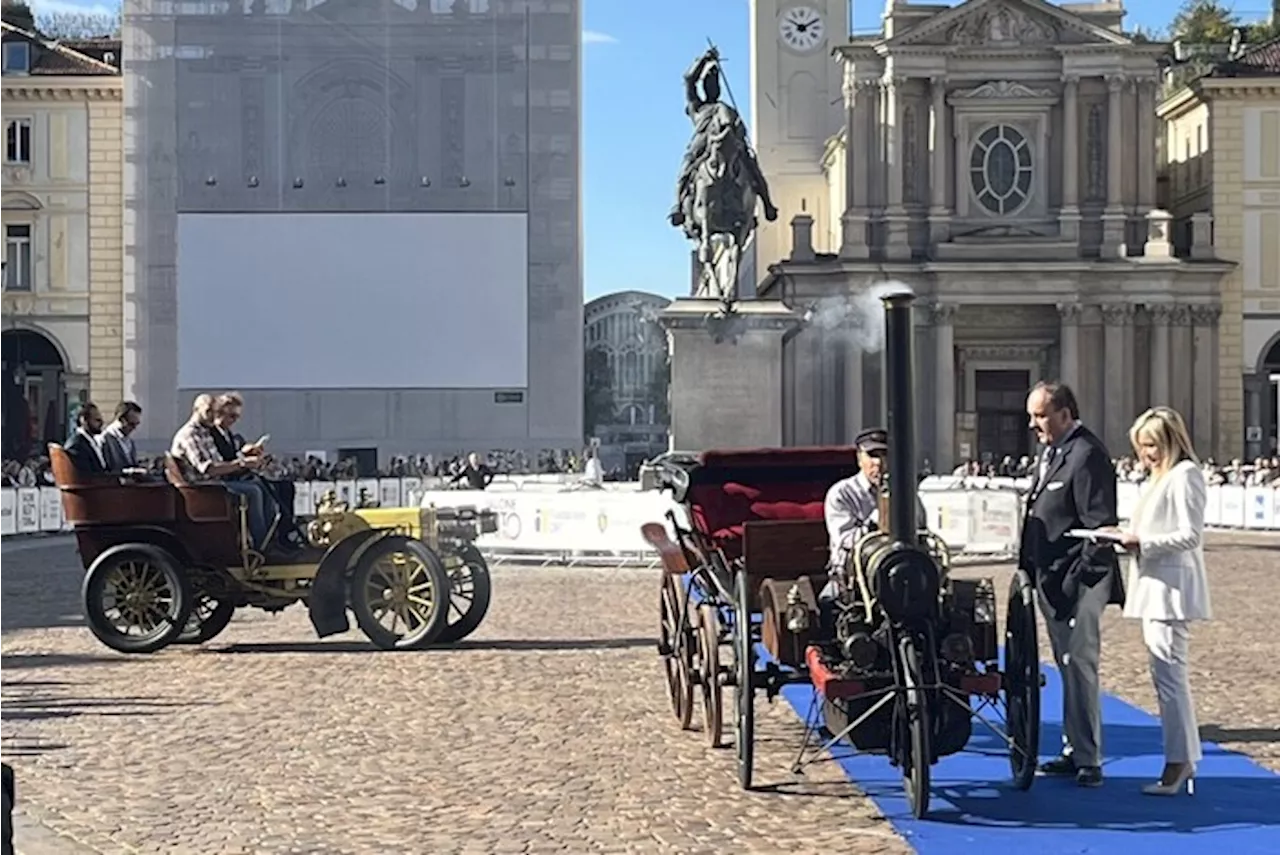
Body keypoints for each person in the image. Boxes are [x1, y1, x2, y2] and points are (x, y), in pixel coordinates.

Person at [1019, 380, 1124, 787]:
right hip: (1052, 580)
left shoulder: (1087, 455)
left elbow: (1101, 527)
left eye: (1041, 415)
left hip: (1077, 583)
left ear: (1065, 413)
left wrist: (1079, 582)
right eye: (1032, 416)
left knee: (1080, 666)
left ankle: (1089, 759)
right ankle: (1073, 747)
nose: (1034, 424)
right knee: (1067, 665)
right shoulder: (1053, 453)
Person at [1114, 406, 1211, 796]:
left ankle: (1179, 761)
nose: (1145, 455)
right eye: (1141, 447)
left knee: (1171, 679)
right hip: (1155, 585)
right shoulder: (1158, 479)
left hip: (1171, 589)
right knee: (1165, 677)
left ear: (1170, 441)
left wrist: (1144, 543)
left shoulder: (1185, 476)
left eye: (1151, 445)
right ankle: (1182, 758)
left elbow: (1190, 535)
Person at [170, 394, 275, 554]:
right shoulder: (190, 435)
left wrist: (244, 460)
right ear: (196, 410)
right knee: (253, 491)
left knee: (259, 486)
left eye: (215, 411)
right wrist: (241, 463)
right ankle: (261, 546)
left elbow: (220, 463)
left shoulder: (204, 432)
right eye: (208, 411)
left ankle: (270, 540)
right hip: (203, 489)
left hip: (213, 484)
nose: (213, 416)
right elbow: (208, 469)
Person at [63, 402, 108, 475]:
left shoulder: (91, 442)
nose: (102, 423)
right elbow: (86, 476)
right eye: (97, 420)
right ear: (83, 420)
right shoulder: (76, 445)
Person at [100, 401, 142, 471]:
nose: (134, 428)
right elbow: (108, 468)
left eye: (137, 424)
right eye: (132, 424)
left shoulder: (129, 440)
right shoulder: (105, 439)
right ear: (122, 420)